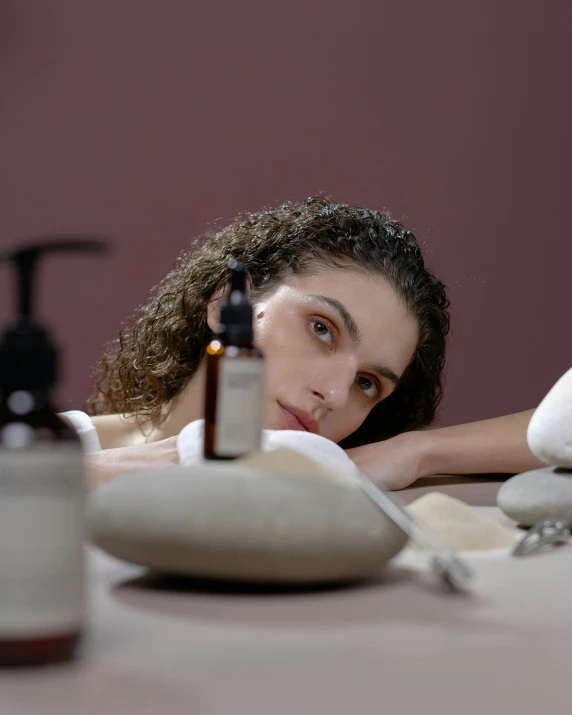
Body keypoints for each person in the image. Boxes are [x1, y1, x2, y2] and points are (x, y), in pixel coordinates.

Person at [70, 197, 544, 490]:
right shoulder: (48, 451)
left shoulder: (330, 485)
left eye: (366, 383)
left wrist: (418, 451)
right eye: (322, 328)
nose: (334, 395)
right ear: (224, 305)